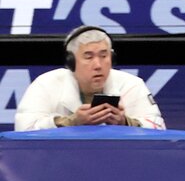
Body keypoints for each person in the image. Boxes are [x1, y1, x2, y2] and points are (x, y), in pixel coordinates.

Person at [14, 25, 165, 131]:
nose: (98, 65)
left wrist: (125, 122)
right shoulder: (46, 84)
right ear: (71, 62)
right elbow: (23, 131)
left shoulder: (131, 84)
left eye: (104, 56)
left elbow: (159, 129)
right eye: (88, 57)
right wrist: (72, 122)